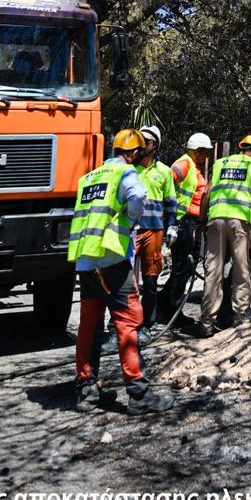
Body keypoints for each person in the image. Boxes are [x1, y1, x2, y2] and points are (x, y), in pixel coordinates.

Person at [67, 128, 173, 415]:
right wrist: (131, 218)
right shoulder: (126, 174)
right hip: (113, 261)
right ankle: (138, 393)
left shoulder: (89, 177)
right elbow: (138, 197)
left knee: (89, 326)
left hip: (86, 262)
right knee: (128, 323)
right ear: (135, 153)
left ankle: (86, 391)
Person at [199, 134, 251, 338]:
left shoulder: (220, 163)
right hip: (240, 222)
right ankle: (241, 318)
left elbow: (207, 193)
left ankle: (206, 323)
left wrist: (202, 220)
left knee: (213, 271)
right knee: (241, 269)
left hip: (215, 218)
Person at [159, 131, 212, 321]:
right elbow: (168, 178)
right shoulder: (185, 163)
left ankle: (165, 304)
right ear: (197, 151)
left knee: (186, 267)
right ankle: (169, 309)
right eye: (205, 152)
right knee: (182, 267)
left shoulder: (195, 166)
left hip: (191, 223)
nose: (207, 156)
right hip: (183, 222)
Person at [134, 123, 177, 341]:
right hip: (131, 230)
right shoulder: (130, 169)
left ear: (155, 145)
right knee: (126, 281)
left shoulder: (164, 172)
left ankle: (146, 326)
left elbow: (171, 203)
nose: (141, 145)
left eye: (146, 141)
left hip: (155, 231)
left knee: (150, 281)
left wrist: (173, 225)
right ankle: (118, 326)